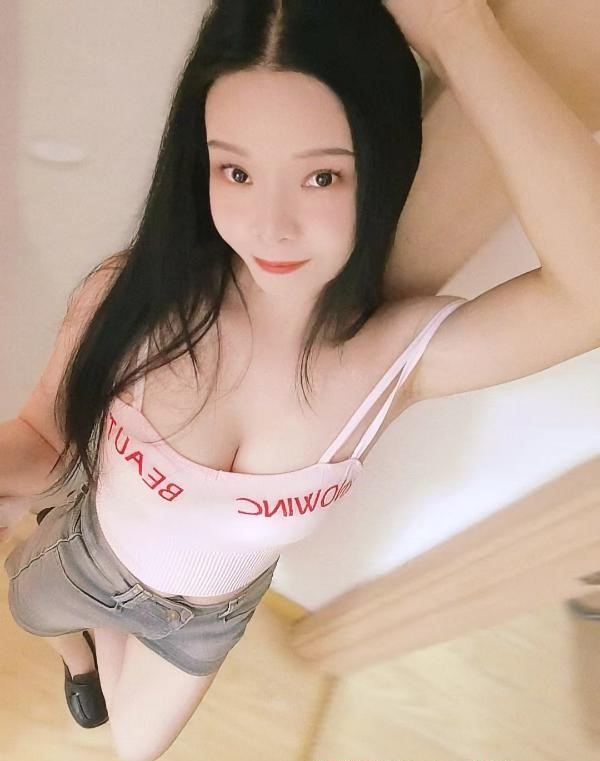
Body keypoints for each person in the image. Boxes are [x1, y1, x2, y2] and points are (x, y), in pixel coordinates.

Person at [2, 0, 599, 759]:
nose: (271, 226)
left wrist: (462, 34)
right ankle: (77, 655)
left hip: (203, 621)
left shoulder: (394, 363)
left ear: (379, 167)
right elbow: (42, 436)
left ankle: (88, 645)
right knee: (34, 609)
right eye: (237, 171)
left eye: (321, 176)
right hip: (89, 554)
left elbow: (588, 297)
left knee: (135, 748)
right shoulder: (128, 299)